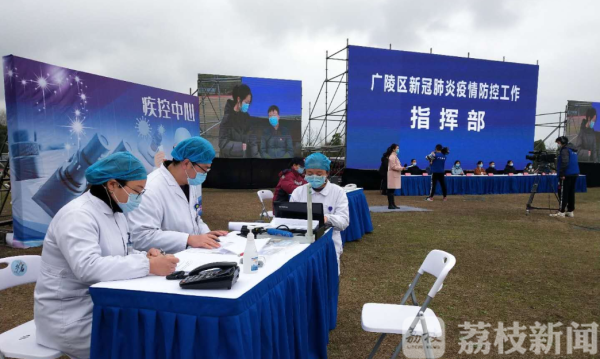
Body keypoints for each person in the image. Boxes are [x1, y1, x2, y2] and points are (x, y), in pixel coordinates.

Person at [34, 152, 179, 359]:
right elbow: (88, 268)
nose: (139, 197)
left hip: (101, 305)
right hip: (71, 318)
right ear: (112, 185)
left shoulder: (115, 211)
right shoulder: (77, 216)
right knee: (141, 340)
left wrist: (146, 255)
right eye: (137, 191)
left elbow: (122, 250)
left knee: (153, 329)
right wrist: (148, 265)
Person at [128, 136, 228, 253]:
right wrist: (187, 239)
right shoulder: (151, 189)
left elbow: (196, 218)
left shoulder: (192, 181)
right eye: (204, 169)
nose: (205, 174)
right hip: (167, 261)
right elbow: (142, 237)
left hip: (193, 255)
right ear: (186, 163)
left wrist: (206, 235)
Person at [290, 153, 349, 273]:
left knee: (328, 279)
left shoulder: (337, 192)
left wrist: (326, 218)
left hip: (329, 244)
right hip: (301, 245)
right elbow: (290, 219)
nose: (314, 177)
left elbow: (344, 221)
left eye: (319, 174)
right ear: (305, 173)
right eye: (310, 174)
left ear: (327, 173)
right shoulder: (298, 192)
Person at [218, 84, 258, 158]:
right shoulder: (227, 118)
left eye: (249, 103)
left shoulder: (247, 117)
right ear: (239, 99)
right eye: (246, 102)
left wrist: (256, 156)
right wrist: (240, 147)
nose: (247, 105)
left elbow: (252, 138)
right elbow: (222, 143)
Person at [551, 136, 580, 218]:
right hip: (574, 173)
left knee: (563, 193)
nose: (558, 144)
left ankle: (562, 211)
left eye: (559, 143)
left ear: (562, 142)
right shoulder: (573, 150)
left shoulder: (565, 150)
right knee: (571, 193)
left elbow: (564, 162)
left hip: (566, 174)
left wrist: (562, 173)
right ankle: (570, 211)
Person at [387, 144, 403, 209]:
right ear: (393, 149)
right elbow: (393, 166)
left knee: (392, 191)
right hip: (392, 175)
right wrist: (401, 168)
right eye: (397, 148)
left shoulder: (395, 156)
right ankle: (390, 205)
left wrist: (401, 167)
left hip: (394, 174)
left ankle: (393, 204)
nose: (398, 149)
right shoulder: (392, 157)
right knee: (390, 190)